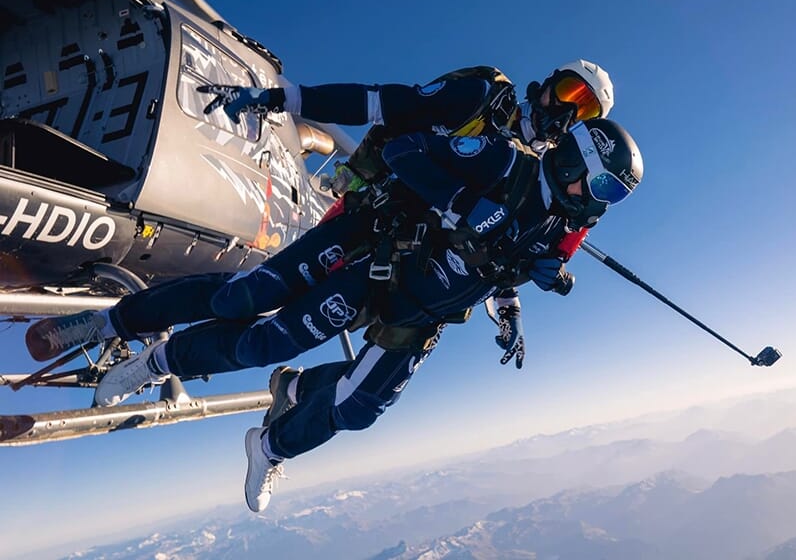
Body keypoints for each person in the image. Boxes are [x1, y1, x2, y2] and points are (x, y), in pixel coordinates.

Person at [29, 114, 644, 513]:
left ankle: (270, 441)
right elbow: (407, 148)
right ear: (573, 163)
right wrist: (454, 202)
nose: (600, 204)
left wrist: (526, 291)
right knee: (252, 321)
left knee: (355, 410)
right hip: (381, 267)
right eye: (602, 187)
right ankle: (129, 334)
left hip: (420, 316)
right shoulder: (504, 163)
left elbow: (501, 270)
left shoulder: (564, 225)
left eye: (612, 196)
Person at [27, 60, 615, 370]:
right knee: (244, 297)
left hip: (410, 266)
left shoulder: (539, 178)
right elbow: (385, 102)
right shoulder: (484, 96)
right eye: (569, 92)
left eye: (582, 112)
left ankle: (160, 362)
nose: (566, 111)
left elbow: (503, 257)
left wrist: (508, 312)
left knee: (279, 338)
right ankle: (108, 324)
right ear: (547, 85)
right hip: (370, 213)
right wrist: (292, 99)